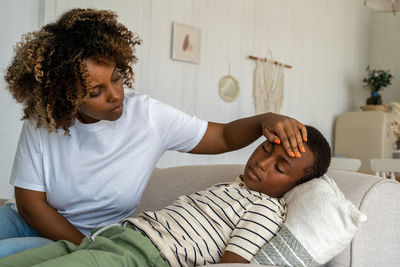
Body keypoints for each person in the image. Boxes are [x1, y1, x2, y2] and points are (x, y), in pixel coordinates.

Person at [0, 8, 309, 258]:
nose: (116, 95)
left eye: (116, 77)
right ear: (65, 96)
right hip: (27, 221)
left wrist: (264, 120)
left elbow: (225, 137)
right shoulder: (45, 121)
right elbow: (31, 206)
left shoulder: (148, 116)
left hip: (86, 240)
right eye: (96, 91)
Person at [0, 125, 331, 266]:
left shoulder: (265, 210)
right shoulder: (231, 187)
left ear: (295, 185)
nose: (262, 162)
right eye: (265, 149)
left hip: (142, 257)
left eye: (281, 167)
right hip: (107, 239)